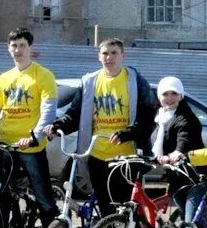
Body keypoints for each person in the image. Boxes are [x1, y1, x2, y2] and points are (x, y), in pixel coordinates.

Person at [0, 28, 58, 228]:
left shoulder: (43, 75)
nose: (18, 50)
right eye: (14, 46)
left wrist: (36, 135)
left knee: (44, 200)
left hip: (30, 148)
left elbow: (48, 109)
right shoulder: (5, 78)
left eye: (22, 45)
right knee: (0, 197)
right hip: (5, 146)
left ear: (30, 48)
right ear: (8, 49)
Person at [53, 39, 156, 216]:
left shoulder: (135, 80)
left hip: (127, 158)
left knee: (125, 209)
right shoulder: (89, 82)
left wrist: (129, 133)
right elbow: (74, 114)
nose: (109, 57)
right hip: (97, 155)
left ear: (123, 55)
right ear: (99, 57)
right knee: (105, 208)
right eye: (105, 53)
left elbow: (149, 117)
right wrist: (57, 126)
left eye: (114, 53)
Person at [151, 76, 207, 221]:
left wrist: (177, 152)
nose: (169, 98)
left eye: (174, 93)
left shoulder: (186, 117)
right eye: (165, 94)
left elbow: (185, 136)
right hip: (177, 178)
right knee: (190, 216)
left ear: (181, 95)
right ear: (159, 96)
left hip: (196, 176)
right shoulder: (160, 117)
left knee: (191, 222)